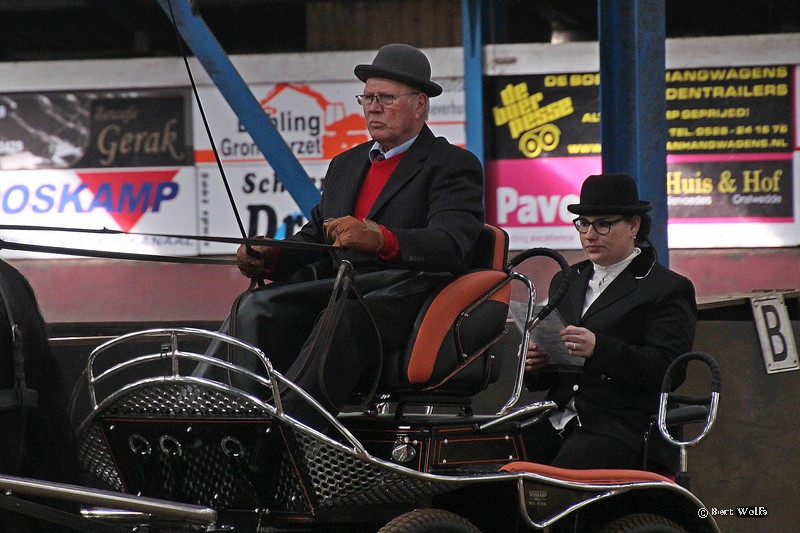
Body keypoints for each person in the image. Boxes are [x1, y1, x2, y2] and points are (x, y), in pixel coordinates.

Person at [202, 43, 485, 428]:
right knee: (255, 306)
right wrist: (272, 257)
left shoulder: (451, 164)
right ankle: (226, 414)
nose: (373, 107)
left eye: (386, 98)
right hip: (343, 286)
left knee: (345, 317)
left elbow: (451, 245)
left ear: (420, 104)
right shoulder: (346, 164)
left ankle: (290, 426)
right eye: (367, 97)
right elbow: (318, 237)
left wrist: (381, 239)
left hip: (409, 291)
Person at [523, 173, 697, 473]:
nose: (590, 234)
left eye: (603, 224)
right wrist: (537, 364)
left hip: (621, 425)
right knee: (494, 466)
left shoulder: (666, 288)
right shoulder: (566, 280)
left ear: (634, 226)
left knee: (559, 480)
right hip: (556, 417)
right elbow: (552, 377)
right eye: (583, 223)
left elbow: (669, 369)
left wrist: (599, 349)